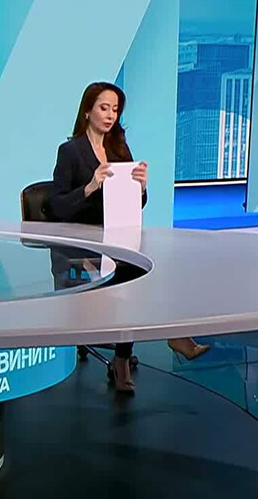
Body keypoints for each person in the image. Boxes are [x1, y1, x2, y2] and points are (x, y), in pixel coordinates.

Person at [47, 81, 209, 395]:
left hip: (119, 236)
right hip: (83, 244)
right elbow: (56, 206)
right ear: (87, 111)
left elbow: (136, 203)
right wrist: (90, 186)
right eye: (104, 108)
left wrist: (141, 187)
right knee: (131, 276)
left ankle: (157, 341)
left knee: (155, 265)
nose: (110, 115)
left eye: (115, 110)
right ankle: (133, 355)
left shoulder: (119, 147)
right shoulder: (70, 151)